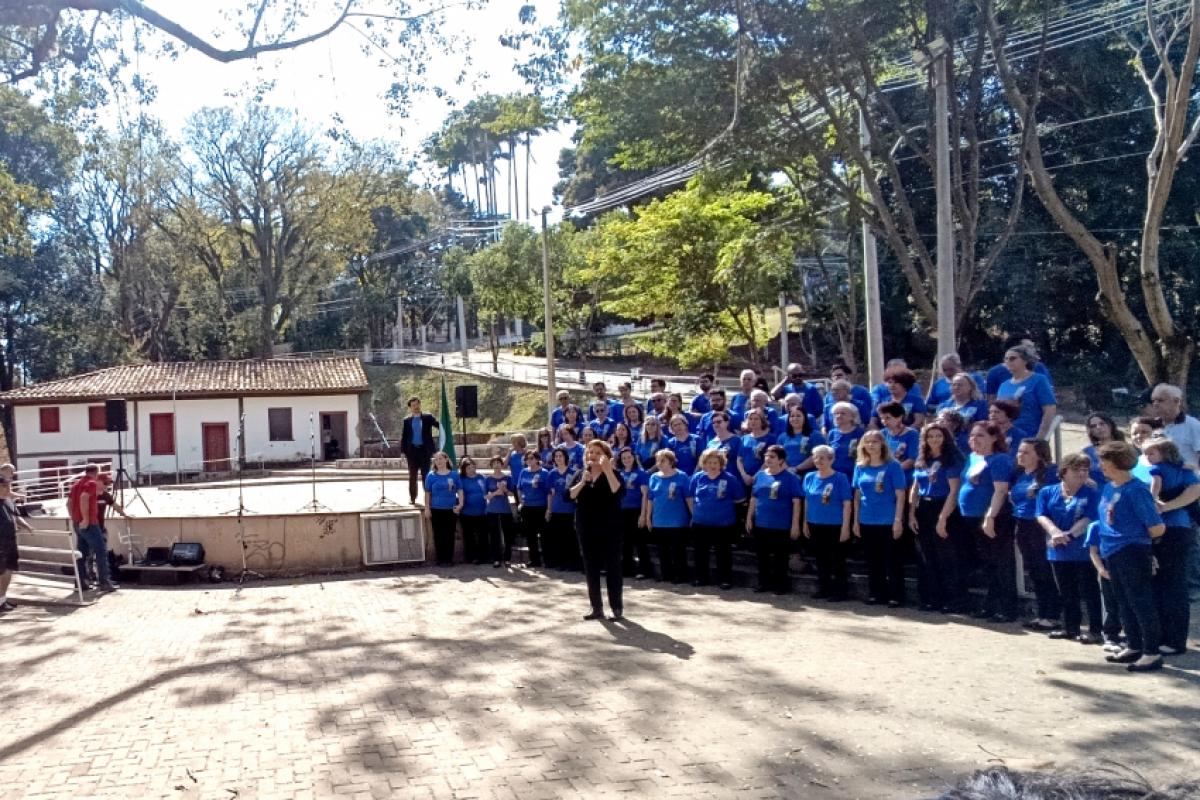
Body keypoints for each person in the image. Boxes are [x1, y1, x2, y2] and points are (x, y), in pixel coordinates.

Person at [1089, 441, 1166, 672]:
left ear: (1117, 463)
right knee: (1122, 600)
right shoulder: (1110, 487)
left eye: (1105, 460)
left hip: (1132, 550)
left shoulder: (1137, 489)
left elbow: (1156, 527)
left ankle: (1152, 652)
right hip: (1111, 550)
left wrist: (1136, 540)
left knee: (1139, 600)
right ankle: (1134, 645)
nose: (1101, 465)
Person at [1036, 453, 1102, 643]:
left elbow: (1090, 517)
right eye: (1076, 469)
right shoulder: (1048, 491)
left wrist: (1069, 535)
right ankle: (1070, 627)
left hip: (1082, 549)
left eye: (1085, 469)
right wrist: (1055, 532)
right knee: (1065, 590)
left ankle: (1095, 630)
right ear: (1064, 471)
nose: (1081, 473)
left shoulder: (1091, 493)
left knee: (1089, 590)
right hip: (1057, 548)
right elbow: (1041, 514)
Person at [1142, 436, 1198, 655]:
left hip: (1169, 529)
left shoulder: (1159, 470)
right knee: (1168, 583)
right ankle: (1167, 637)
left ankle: (1173, 640)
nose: (1147, 457)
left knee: (1170, 583)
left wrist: (1158, 504)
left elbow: (1156, 490)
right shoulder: (1182, 469)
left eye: (1151, 453)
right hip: (1177, 529)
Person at [958, 421, 1017, 622]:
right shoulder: (973, 458)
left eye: (981, 435)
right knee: (988, 564)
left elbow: (1000, 490)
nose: (975, 440)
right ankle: (991, 606)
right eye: (972, 436)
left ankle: (1007, 608)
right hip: (971, 517)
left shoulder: (999, 459)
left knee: (1001, 563)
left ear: (994, 438)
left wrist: (990, 517)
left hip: (993, 517)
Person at [1150, 383, 1200, 603]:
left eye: (1161, 400)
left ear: (1177, 402)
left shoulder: (1192, 425)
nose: (1156, 405)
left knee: (1189, 536)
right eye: (1154, 401)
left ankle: (1192, 585)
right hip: (1159, 486)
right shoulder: (1154, 427)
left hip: (1188, 487)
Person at [908, 422, 965, 612]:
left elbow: (954, 490)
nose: (934, 439)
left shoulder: (951, 459)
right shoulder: (922, 459)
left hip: (944, 507)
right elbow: (915, 488)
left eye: (938, 436)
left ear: (945, 437)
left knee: (946, 556)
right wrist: (911, 514)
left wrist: (943, 518)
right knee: (926, 555)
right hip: (924, 506)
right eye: (930, 436)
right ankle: (930, 598)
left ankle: (953, 600)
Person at [569, 440, 625, 620]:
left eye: (597, 452)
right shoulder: (580, 474)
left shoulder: (614, 473)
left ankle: (616, 608)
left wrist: (607, 470)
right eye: (590, 452)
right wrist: (582, 483)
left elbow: (618, 492)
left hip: (610, 528)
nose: (592, 455)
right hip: (586, 528)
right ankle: (596, 608)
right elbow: (568, 495)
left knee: (613, 568)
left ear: (606, 456)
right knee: (590, 568)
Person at [852, 430, 908, 607]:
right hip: (867, 519)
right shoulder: (860, 466)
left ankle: (896, 595)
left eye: (874, 442)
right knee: (872, 560)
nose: (871, 445)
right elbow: (857, 496)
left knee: (892, 560)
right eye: (867, 442)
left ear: (882, 444)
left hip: (888, 519)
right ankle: (876, 593)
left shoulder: (893, 465)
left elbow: (900, 495)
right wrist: (855, 521)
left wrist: (898, 520)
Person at [1010, 439, 1062, 631]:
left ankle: (1053, 614)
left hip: (1041, 525)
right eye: (1019, 452)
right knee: (1034, 570)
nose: (1020, 456)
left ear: (1039, 454)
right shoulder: (1019, 473)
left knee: (1044, 569)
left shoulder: (1050, 473)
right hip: (1022, 523)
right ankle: (1043, 613)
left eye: (1026, 452)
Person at [745, 445, 802, 594]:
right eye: (766, 456)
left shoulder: (790, 478)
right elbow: (754, 498)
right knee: (762, 556)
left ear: (781, 460)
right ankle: (763, 583)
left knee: (780, 557)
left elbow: (796, 501)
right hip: (762, 522)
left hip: (781, 524)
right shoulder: (760, 475)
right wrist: (749, 517)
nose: (768, 459)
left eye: (772, 457)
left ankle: (780, 585)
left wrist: (795, 524)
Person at [688, 448, 746, 589]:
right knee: (700, 553)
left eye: (715, 462)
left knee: (723, 553)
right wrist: (693, 514)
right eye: (709, 462)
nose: (712, 465)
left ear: (721, 463)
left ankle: (725, 580)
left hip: (723, 524)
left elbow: (740, 500)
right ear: (704, 463)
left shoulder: (730, 479)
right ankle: (701, 578)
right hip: (700, 523)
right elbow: (690, 497)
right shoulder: (697, 478)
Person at [803, 445, 853, 601]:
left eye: (822, 458)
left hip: (835, 525)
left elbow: (847, 504)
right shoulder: (809, 477)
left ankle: (840, 592)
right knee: (820, 559)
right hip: (815, 523)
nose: (818, 461)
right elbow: (807, 501)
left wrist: (845, 527)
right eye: (816, 457)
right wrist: (805, 522)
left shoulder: (840, 478)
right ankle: (823, 589)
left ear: (831, 460)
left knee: (837, 559)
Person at [647, 449, 692, 583]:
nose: (659, 463)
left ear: (671, 461)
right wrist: (648, 517)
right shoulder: (654, 477)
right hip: (659, 518)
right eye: (658, 461)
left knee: (678, 550)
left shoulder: (682, 476)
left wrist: (693, 515)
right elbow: (650, 498)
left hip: (677, 519)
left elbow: (688, 497)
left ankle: (680, 575)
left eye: (663, 461)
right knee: (662, 549)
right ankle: (666, 574)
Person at [69, 464, 116, 592]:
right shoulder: (91, 483)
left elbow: (69, 502)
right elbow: (84, 498)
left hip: (77, 523)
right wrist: (86, 518)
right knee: (101, 551)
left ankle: (80, 582)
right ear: (96, 472)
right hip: (89, 524)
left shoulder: (76, 485)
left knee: (81, 554)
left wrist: (74, 517)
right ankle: (104, 583)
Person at [996, 343, 1057, 440]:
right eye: (1006, 359)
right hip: (1006, 437)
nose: (1008, 361)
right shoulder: (1004, 385)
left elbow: (1049, 409)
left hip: (1030, 435)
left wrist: (1040, 438)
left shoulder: (1038, 380)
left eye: (1012, 358)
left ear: (1025, 360)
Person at [616, 447, 653, 579]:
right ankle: (626, 569)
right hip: (622, 510)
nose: (626, 460)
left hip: (636, 510)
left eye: (629, 457)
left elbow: (645, 495)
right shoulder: (619, 473)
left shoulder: (641, 473)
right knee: (625, 542)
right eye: (624, 458)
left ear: (634, 458)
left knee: (640, 541)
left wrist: (643, 515)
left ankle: (645, 570)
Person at [0, 476, 32, 612]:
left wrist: (26, 526)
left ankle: (2, 600)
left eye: (9, 486)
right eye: (5, 486)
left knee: (9, 570)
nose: (9, 489)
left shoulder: (8, 501)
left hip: (10, 542)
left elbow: (16, 516)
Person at [401, 396, 440, 506]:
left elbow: (439, 426)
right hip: (412, 452)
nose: (416, 407)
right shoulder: (407, 420)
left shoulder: (427, 417)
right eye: (413, 405)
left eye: (417, 404)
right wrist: (403, 452)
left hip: (424, 451)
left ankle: (428, 498)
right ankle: (412, 498)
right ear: (410, 408)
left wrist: (446, 423)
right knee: (412, 476)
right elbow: (404, 437)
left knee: (426, 475)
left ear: (420, 404)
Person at [984, 337, 1052, 400]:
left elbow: (1049, 396)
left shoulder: (1039, 368)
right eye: (1029, 347)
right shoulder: (995, 373)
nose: (1034, 350)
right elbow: (991, 400)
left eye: (1033, 347)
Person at [546, 449, 580, 570]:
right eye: (556, 456)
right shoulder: (552, 474)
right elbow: (549, 493)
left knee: (570, 538)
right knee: (558, 538)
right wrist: (549, 510)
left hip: (569, 510)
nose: (558, 458)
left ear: (566, 457)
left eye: (561, 456)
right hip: (556, 509)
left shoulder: (573, 472)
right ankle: (560, 562)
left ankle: (571, 563)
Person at [422, 452, 459, 566]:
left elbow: (460, 490)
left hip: (450, 508)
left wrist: (460, 504)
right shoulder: (431, 475)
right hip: (436, 508)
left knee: (449, 534)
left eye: (441, 458)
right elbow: (427, 493)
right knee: (438, 534)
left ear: (446, 460)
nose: (439, 461)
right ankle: (441, 559)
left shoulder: (453, 474)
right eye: (436, 459)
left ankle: (449, 559)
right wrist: (427, 508)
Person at [516, 451, 551, 568]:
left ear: (537, 459)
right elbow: (519, 488)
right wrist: (521, 501)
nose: (529, 461)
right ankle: (534, 560)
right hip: (527, 507)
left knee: (545, 536)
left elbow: (549, 492)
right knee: (530, 536)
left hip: (541, 507)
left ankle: (547, 560)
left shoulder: (544, 473)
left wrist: (548, 509)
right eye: (527, 459)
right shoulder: (523, 472)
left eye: (531, 458)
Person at [878, 402, 920, 485]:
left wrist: (892, 472)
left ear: (899, 417)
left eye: (888, 418)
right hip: (883, 477)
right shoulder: (882, 434)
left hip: (904, 478)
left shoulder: (912, 434)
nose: (884, 421)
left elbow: (912, 460)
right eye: (882, 418)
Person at [457, 457, 488, 565]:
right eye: (468, 468)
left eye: (472, 467)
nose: (471, 469)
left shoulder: (482, 477)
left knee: (482, 535)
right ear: (464, 469)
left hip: (482, 512)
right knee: (469, 537)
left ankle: (484, 557)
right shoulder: (462, 480)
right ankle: (471, 557)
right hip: (467, 512)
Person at [484, 454, 513, 567]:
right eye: (494, 463)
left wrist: (504, 489)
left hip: (505, 509)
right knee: (494, 535)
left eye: (499, 463)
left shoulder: (508, 478)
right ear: (491, 465)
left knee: (507, 535)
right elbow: (485, 496)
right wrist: (496, 492)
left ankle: (507, 559)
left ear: (502, 465)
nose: (497, 465)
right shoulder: (488, 479)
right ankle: (496, 558)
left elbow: (511, 494)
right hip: (492, 510)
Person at [777, 406, 824, 475]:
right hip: (786, 473)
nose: (795, 418)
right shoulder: (782, 436)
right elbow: (778, 456)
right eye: (792, 416)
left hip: (808, 474)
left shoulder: (815, 435)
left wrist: (797, 468)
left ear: (805, 418)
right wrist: (788, 469)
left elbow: (817, 455)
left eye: (798, 416)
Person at [1082, 412, 1123, 487]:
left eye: (1102, 424)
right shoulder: (1087, 452)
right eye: (1093, 426)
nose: (1098, 427)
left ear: (1110, 425)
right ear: (1091, 431)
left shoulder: (1124, 449)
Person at [737, 409, 776, 486]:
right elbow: (739, 459)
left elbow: (770, 459)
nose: (753, 421)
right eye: (750, 419)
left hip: (763, 478)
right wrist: (744, 475)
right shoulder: (744, 438)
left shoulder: (770, 438)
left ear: (762, 421)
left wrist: (756, 477)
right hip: (744, 478)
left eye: (756, 419)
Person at [827, 402, 865, 477]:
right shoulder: (832, 433)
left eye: (843, 413)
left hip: (854, 473)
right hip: (835, 474)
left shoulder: (860, 433)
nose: (839, 416)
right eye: (836, 414)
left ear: (852, 416)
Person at [829, 363, 874, 428]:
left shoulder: (862, 391)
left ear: (847, 376)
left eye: (839, 375)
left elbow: (868, 415)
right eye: (834, 376)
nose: (836, 377)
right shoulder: (828, 396)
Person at [1129, 416, 1163, 484]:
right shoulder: (1132, 462)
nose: (1139, 436)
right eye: (1135, 433)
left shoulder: (1166, 460)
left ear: (1155, 434)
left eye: (1144, 432)